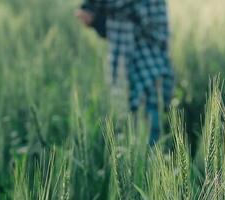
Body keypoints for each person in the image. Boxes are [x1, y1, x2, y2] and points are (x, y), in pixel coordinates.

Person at [75, 0, 175, 145]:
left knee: (148, 136)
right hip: (131, 72)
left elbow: (116, 5)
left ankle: (150, 162)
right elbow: (117, 24)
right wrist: (95, 20)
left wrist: (89, 7)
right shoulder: (122, 10)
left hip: (149, 71)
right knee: (130, 132)